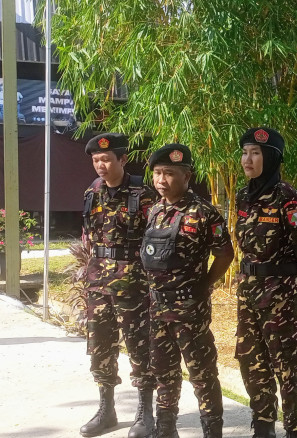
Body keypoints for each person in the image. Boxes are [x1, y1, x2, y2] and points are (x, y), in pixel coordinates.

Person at [141, 143, 234, 438]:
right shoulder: (155, 210)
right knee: (163, 373)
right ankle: (165, 428)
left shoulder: (204, 213)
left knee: (202, 374)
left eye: (169, 173)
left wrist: (205, 284)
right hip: (157, 310)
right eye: (157, 173)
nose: (161, 180)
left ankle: (212, 431)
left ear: (187, 176)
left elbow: (225, 254)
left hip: (189, 312)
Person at [235, 127, 297, 438]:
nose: (248, 159)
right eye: (245, 152)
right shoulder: (244, 195)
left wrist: (293, 288)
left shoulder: (288, 199)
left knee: (287, 367)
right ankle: (264, 426)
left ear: (271, 158)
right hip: (248, 292)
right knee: (252, 363)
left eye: (255, 153)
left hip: (279, 295)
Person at [79, 133, 156, 438]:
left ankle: (144, 413)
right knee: (100, 347)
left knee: (140, 347)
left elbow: (158, 240)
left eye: (107, 159)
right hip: (98, 283)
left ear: (122, 159)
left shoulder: (143, 193)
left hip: (134, 284)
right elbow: (88, 235)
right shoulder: (92, 192)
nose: (101, 165)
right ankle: (106, 410)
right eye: (96, 160)